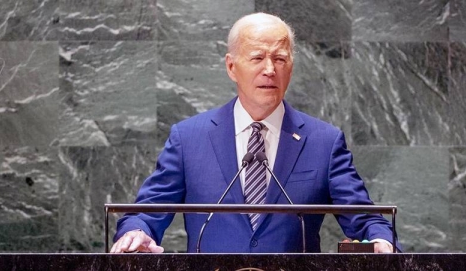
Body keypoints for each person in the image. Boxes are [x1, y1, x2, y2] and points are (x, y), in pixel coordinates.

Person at [111, 12, 398, 253]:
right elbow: (146, 213)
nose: (270, 69)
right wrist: (136, 233)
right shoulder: (189, 138)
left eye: (280, 59)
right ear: (232, 67)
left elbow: (366, 219)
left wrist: (380, 240)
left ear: (291, 68)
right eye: (257, 57)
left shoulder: (323, 141)